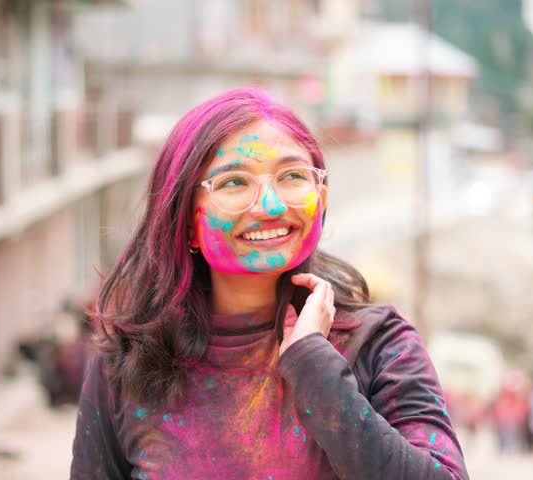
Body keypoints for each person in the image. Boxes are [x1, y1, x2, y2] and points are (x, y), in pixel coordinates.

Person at [69, 88, 469, 479]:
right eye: (234, 183)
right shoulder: (127, 364)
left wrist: (317, 371)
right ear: (186, 220)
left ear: (322, 197)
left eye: (292, 176)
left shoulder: (380, 345)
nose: (271, 206)